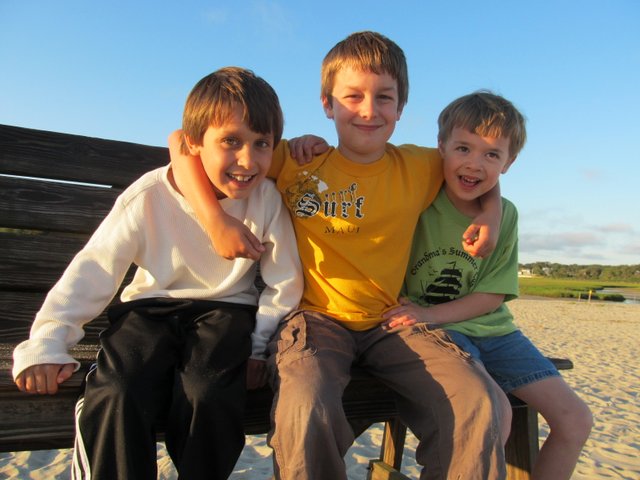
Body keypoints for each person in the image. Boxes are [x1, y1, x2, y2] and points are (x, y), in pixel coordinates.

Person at [170, 32, 509, 480]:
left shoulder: (419, 166)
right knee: (305, 403)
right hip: (316, 319)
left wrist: (491, 213)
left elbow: (478, 169)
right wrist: (215, 220)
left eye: (384, 97)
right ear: (327, 104)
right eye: (352, 97)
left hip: (390, 321)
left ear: (401, 108)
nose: (369, 110)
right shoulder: (297, 160)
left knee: (475, 400)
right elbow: (180, 142)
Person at [12, 67, 303, 480]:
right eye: (230, 141)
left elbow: (284, 281)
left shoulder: (267, 200)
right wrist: (47, 342)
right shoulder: (150, 194)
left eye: (262, 144)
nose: (248, 160)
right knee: (118, 390)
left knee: (209, 392)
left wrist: (258, 347)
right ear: (193, 143)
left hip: (226, 313)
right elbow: (94, 267)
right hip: (148, 311)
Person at [383, 91, 593, 480]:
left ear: (508, 163)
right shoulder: (419, 198)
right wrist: (425, 317)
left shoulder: (505, 214)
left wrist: (429, 312)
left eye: (492, 154)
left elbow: (493, 295)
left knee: (576, 419)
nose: (474, 164)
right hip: (438, 333)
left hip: (494, 331)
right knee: (495, 411)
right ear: (441, 146)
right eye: (463, 148)